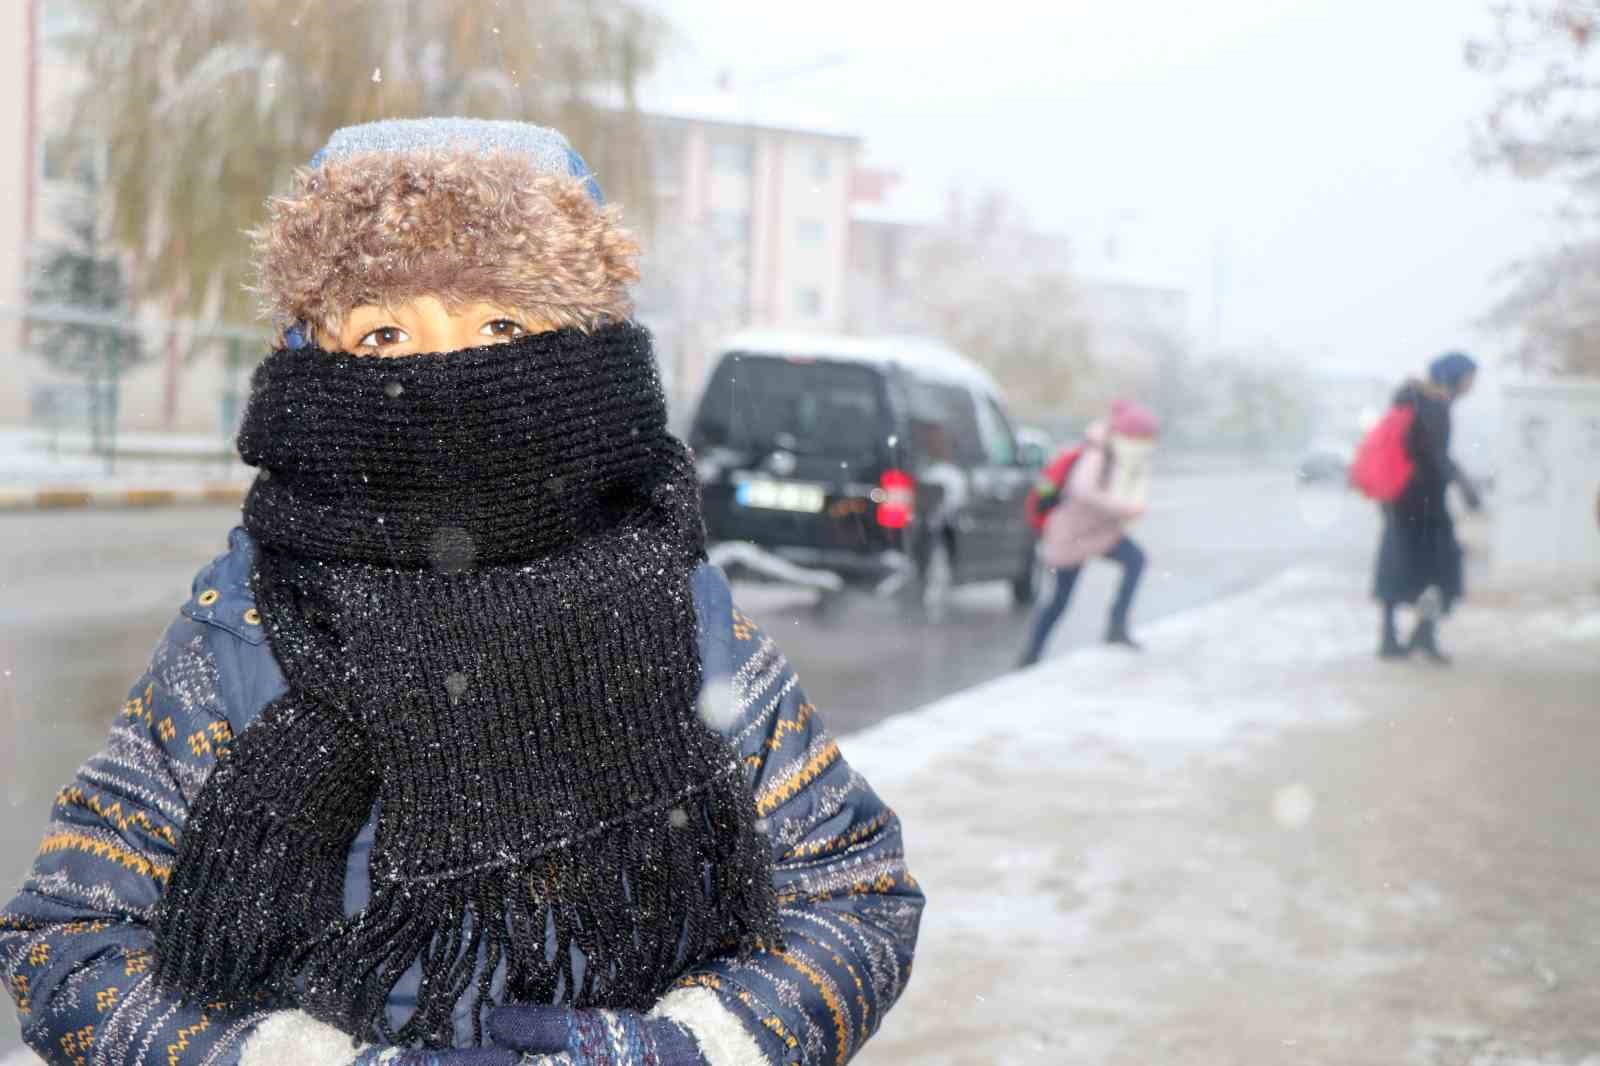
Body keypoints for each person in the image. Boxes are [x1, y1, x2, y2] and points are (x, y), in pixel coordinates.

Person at [0, 119, 923, 1066]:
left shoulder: (676, 610)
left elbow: (851, 895)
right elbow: (70, 938)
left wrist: (691, 1047)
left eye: (503, 325)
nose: (450, 373)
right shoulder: (244, 628)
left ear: (586, 345)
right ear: (314, 356)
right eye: (387, 332)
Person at [1019, 400, 1160, 667]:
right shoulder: (1097, 452)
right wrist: (1124, 507)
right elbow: (1083, 490)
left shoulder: (1114, 452)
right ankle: (1031, 655)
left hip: (1096, 532)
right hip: (1072, 535)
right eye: (1141, 436)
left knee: (1135, 560)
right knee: (1060, 600)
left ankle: (1115, 626)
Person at [1374, 351, 1482, 663]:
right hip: (1424, 503)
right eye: (1470, 376)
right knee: (1443, 570)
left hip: (1397, 499)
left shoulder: (1411, 399)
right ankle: (1424, 634)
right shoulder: (1435, 404)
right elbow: (1434, 453)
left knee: (1397, 565)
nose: (1472, 384)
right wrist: (1463, 483)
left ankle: (1390, 637)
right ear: (1455, 375)